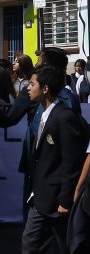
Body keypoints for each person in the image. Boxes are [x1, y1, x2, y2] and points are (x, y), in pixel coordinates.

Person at [22, 66, 87, 253]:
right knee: (42, 243)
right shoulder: (42, 113)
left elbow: (71, 162)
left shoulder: (64, 117)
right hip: (40, 196)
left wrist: (65, 200)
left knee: (36, 243)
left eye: (32, 84)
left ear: (45, 89)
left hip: (55, 199)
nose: (27, 87)